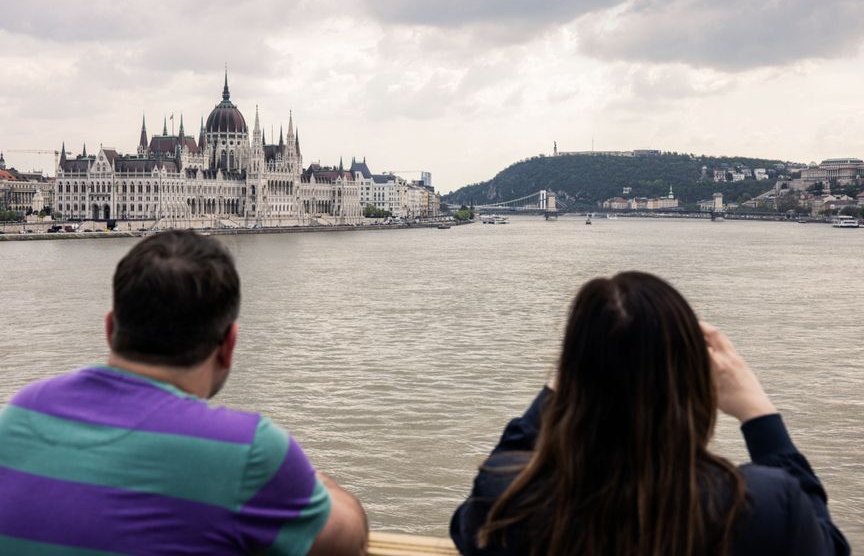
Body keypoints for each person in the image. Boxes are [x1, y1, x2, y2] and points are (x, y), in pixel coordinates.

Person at [0, 230, 368, 555]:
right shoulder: (250, 450)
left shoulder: (22, 411)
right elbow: (345, 540)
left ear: (110, 327)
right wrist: (316, 483)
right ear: (229, 344)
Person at [450, 272, 849, 555]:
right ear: (695, 383)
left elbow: (478, 505)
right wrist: (759, 413)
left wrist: (569, 377)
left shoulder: (509, 500)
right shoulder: (762, 503)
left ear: (571, 379)